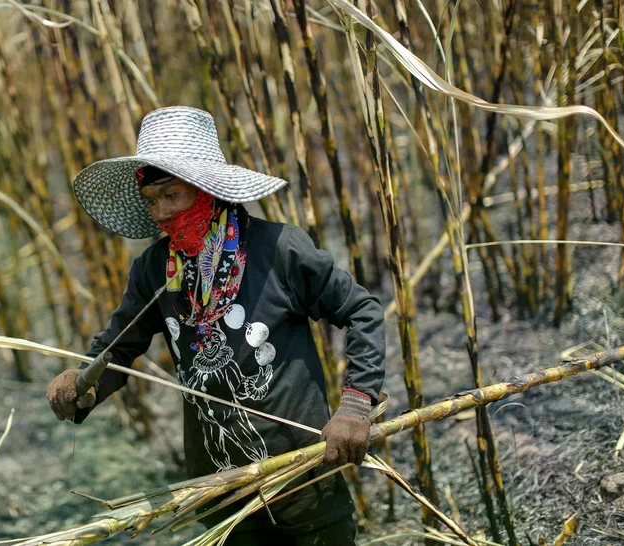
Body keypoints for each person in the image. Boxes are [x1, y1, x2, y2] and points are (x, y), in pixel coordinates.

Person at [47, 106, 386, 545]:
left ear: (207, 190)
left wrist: (356, 407)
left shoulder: (279, 249)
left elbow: (363, 311)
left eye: (172, 196)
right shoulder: (155, 269)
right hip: (221, 494)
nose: (162, 214)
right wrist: (84, 383)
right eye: (152, 201)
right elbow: (117, 347)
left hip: (305, 479)